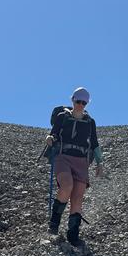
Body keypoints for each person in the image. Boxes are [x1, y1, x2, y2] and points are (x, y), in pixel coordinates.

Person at [46, 87, 103, 244]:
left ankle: (73, 235)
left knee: (78, 197)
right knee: (66, 186)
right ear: (73, 100)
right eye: (78, 101)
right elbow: (54, 133)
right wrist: (49, 138)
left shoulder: (90, 122)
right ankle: (54, 225)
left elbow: (95, 144)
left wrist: (100, 162)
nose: (80, 105)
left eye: (84, 102)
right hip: (63, 157)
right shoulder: (62, 116)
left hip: (81, 162)